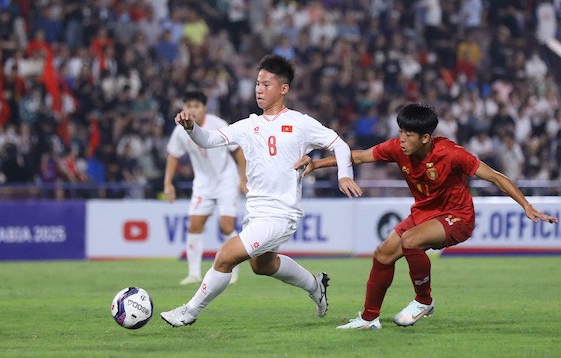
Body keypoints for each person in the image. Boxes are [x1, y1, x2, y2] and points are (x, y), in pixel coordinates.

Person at [296, 103, 559, 330]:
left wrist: (526, 204)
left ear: (425, 138)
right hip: (424, 214)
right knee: (382, 254)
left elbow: (495, 177)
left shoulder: (452, 153)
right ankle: (369, 318)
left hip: (458, 217)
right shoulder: (398, 148)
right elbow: (360, 156)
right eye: (400, 132)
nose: (401, 139)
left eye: (408, 135)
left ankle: (424, 300)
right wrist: (317, 164)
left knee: (410, 241)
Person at [160, 54, 354, 327]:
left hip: (281, 214)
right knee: (262, 266)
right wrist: (192, 128)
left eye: (266, 84)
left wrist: (343, 175)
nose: (259, 89)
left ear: (283, 89)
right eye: (257, 84)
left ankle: (189, 311)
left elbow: (340, 144)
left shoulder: (301, 123)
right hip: (256, 211)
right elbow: (210, 139)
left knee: (226, 255)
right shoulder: (248, 125)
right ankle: (315, 285)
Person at [163, 89, 247, 286]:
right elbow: (173, 156)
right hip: (203, 184)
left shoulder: (218, 125)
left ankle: (233, 269)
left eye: (196, 106)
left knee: (226, 226)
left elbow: (238, 151)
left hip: (226, 180)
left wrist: (243, 179)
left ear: (204, 109)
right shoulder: (180, 130)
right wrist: (167, 183)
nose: (191, 110)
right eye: (188, 106)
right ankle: (194, 274)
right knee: (194, 225)